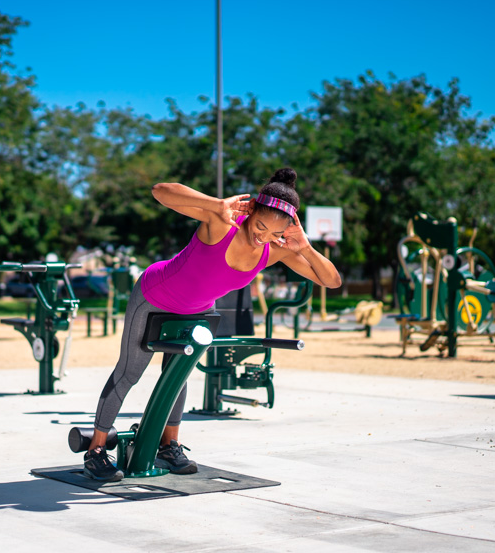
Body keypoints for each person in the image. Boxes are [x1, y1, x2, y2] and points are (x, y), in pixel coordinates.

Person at [83, 168, 342, 481]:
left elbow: (331, 281)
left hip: (196, 310)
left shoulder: (275, 251)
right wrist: (214, 204)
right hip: (153, 296)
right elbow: (160, 191)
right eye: (260, 226)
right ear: (251, 210)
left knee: (176, 376)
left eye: (274, 233)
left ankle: (169, 445)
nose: (263, 236)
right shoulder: (221, 224)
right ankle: (96, 450)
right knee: (129, 373)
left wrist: (305, 248)